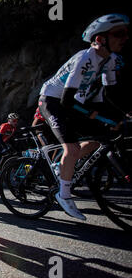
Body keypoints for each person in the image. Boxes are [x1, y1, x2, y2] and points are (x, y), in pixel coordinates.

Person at [38, 13, 129, 220]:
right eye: (118, 34)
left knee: (99, 140)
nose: (125, 38)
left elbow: (110, 93)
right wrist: (96, 115)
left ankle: (63, 165)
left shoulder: (110, 60)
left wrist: (125, 113)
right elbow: (67, 101)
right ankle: (64, 194)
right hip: (52, 100)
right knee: (71, 147)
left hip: (73, 101)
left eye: (126, 33)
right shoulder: (85, 58)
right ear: (99, 39)